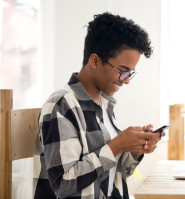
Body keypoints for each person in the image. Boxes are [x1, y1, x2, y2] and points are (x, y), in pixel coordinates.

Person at [33, 12, 163, 199]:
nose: (125, 81)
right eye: (122, 71)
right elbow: (63, 184)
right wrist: (117, 146)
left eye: (130, 74)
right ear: (94, 61)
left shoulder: (105, 104)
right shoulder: (61, 107)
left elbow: (110, 174)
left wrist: (134, 151)